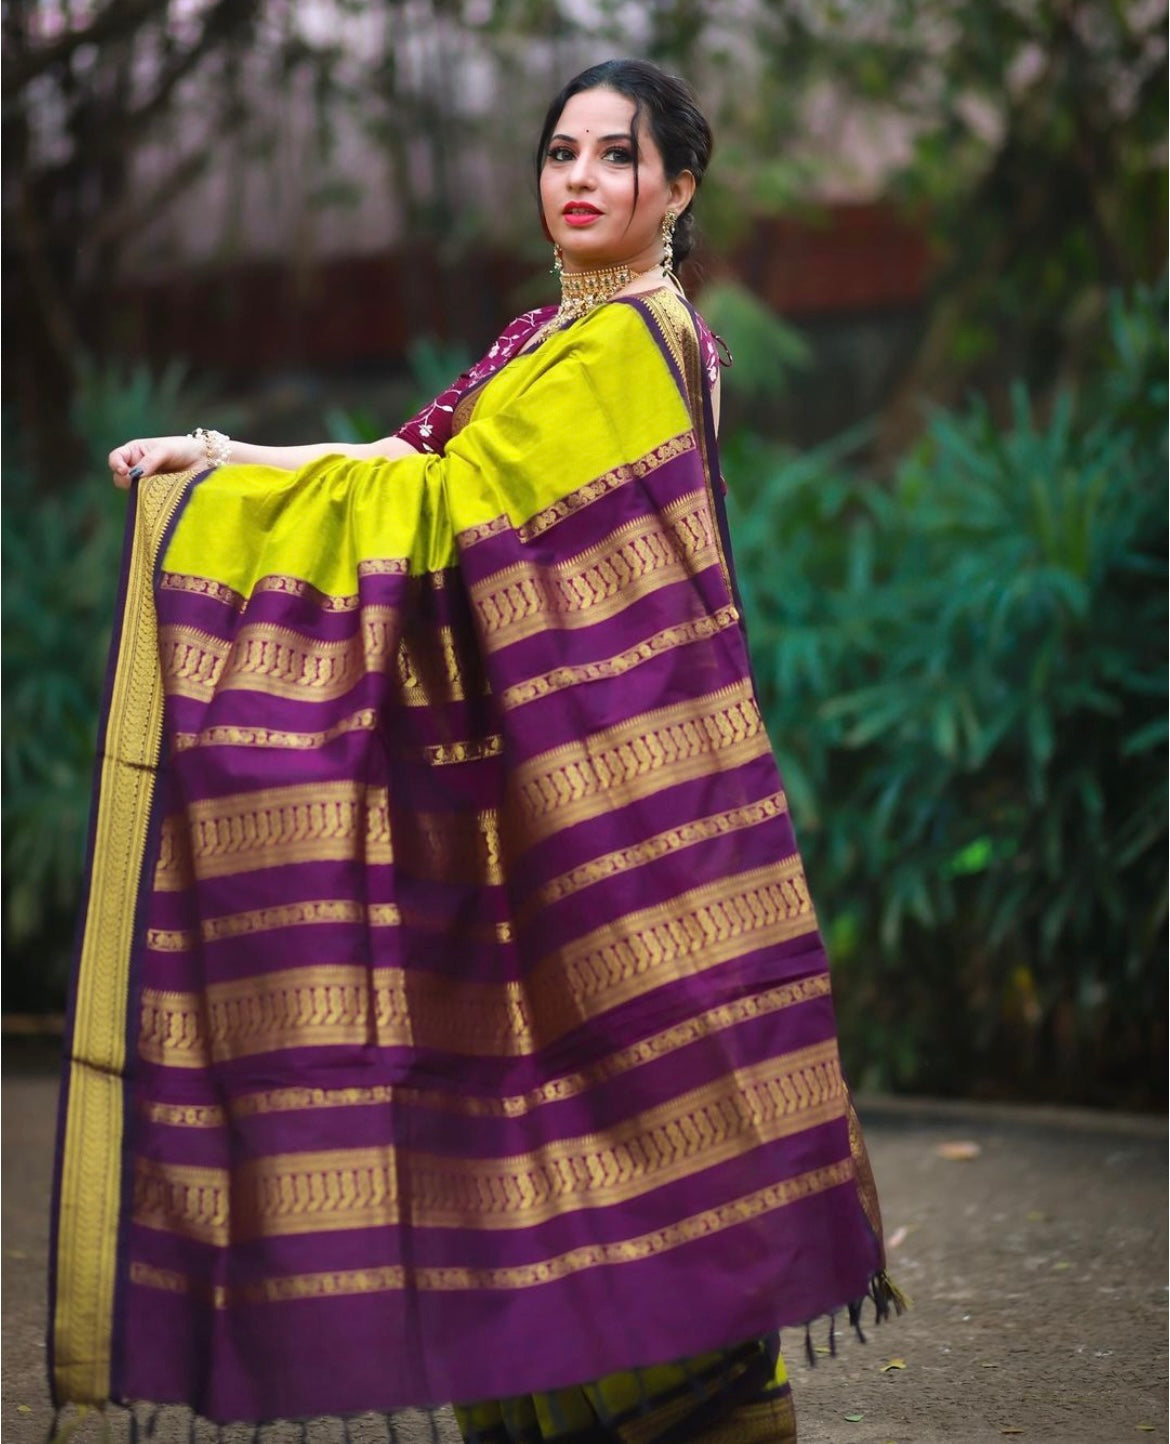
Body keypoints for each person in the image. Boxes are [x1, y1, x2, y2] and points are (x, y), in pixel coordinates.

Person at [50, 58, 900, 1444]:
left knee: (626, 1090)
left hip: (611, 786)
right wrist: (213, 458)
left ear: (676, 187)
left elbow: (442, 509)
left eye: (614, 156)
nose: (576, 177)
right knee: (523, 1108)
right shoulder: (538, 342)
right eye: (558, 151)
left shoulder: (635, 343)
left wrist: (231, 492)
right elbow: (408, 469)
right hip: (533, 779)